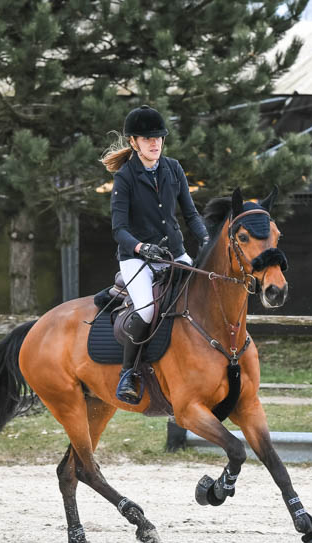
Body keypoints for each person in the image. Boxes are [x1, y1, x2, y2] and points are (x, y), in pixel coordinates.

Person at [100, 105, 209, 404]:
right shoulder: (125, 178)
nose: (155, 143)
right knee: (147, 310)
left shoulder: (173, 168)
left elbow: (191, 213)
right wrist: (141, 248)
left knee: (203, 294)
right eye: (148, 138)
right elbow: (119, 229)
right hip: (137, 257)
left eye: (158, 137)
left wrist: (205, 237)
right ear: (134, 142)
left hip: (174, 253)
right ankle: (128, 374)